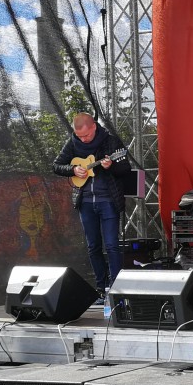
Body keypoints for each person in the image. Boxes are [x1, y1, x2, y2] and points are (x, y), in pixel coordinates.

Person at [51, 112, 131, 303]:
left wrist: (110, 166)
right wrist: (73, 169)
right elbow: (56, 165)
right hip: (85, 202)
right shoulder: (73, 143)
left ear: (94, 126)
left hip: (108, 200)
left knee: (111, 245)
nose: (83, 139)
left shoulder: (111, 142)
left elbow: (125, 169)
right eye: (80, 136)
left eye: (86, 135)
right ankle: (101, 288)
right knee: (93, 246)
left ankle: (116, 289)